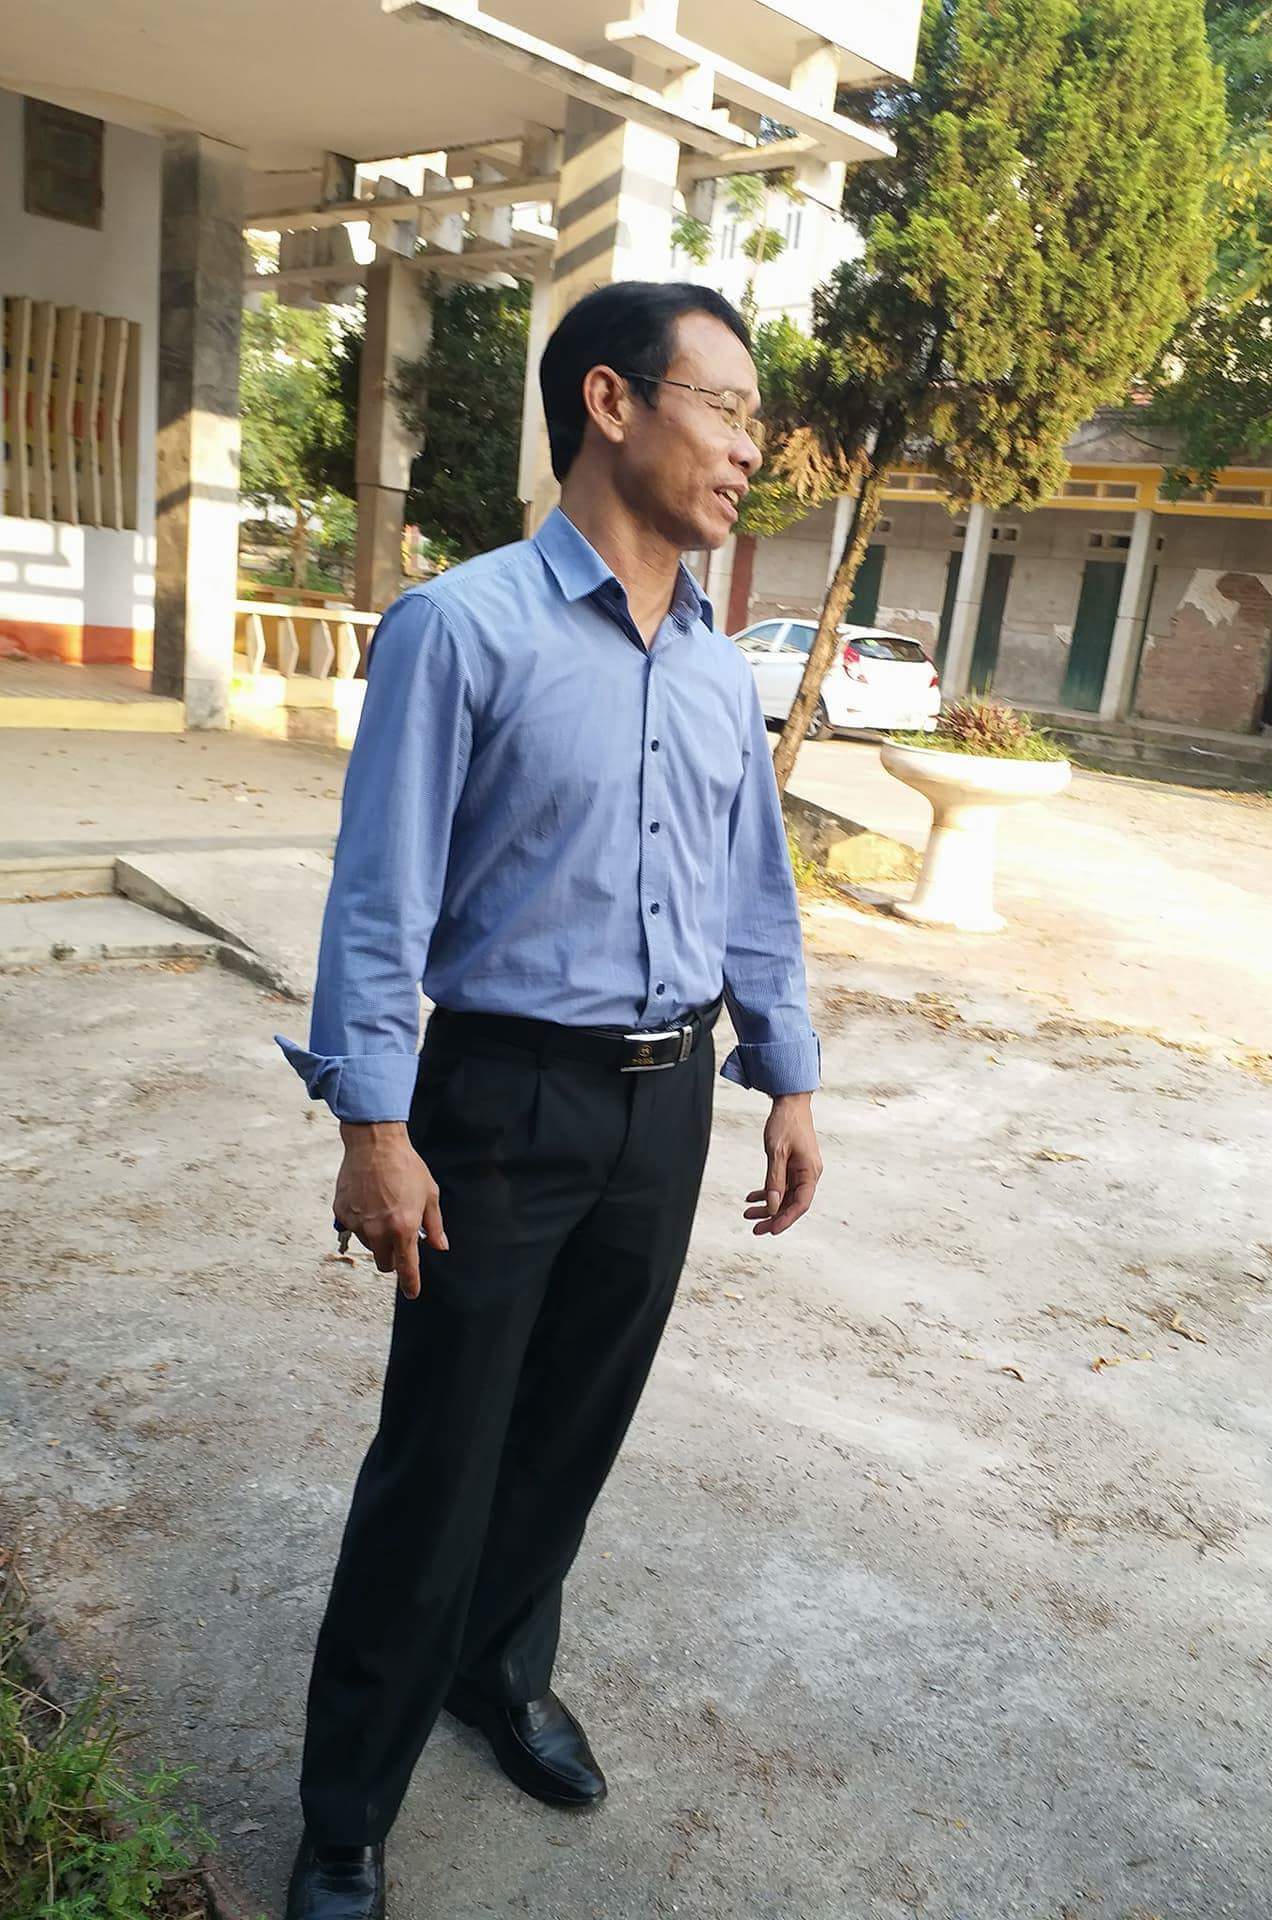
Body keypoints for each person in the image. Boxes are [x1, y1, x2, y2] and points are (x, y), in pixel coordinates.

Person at [276, 279, 823, 1920]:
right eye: (725, 407)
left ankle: (497, 1676)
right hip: (499, 1101)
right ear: (610, 401)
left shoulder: (718, 669)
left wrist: (787, 1076)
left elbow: (753, 891)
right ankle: (345, 1810)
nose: (750, 449)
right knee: (441, 1458)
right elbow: (380, 899)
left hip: (666, 1107)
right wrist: (376, 1130)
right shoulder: (464, 628)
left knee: (573, 1433)